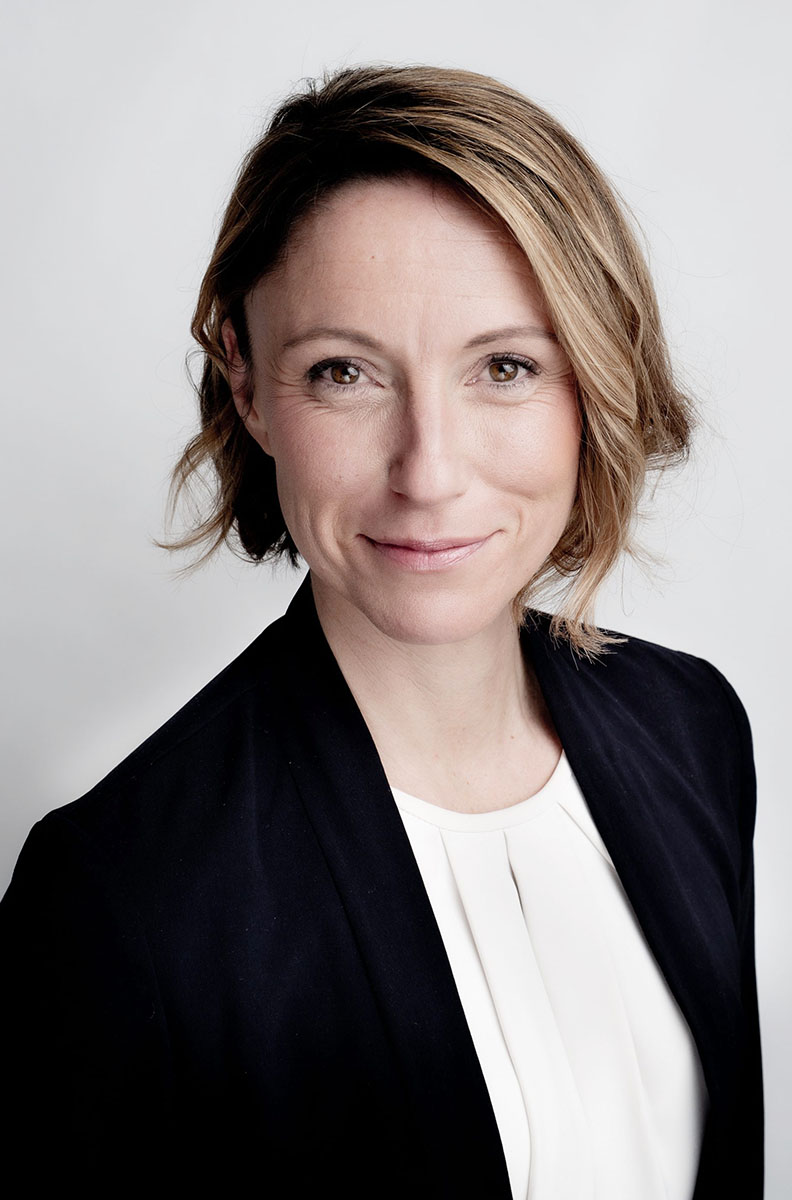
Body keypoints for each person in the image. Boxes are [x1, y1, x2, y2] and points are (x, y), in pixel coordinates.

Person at [0, 65, 762, 1199]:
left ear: (592, 380)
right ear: (247, 384)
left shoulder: (691, 726)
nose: (429, 472)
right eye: (344, 372)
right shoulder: (119, 895)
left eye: (506, 366)